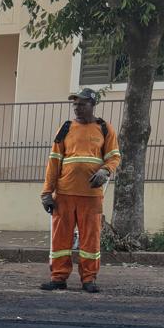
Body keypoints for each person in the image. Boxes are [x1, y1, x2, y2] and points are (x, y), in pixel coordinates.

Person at [40, 87, 120, 293]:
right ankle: (58, 278)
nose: (77, 108)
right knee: (60, 239)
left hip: (91, 196)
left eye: (82, 104)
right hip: (64, 194)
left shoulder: (105, 129)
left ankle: (89, 279)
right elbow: (54, 161)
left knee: (90, 239)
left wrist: (105, 171)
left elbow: (114, 157)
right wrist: (47, 193)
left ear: (93, 104)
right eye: (75, 104)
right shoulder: (65, 128)